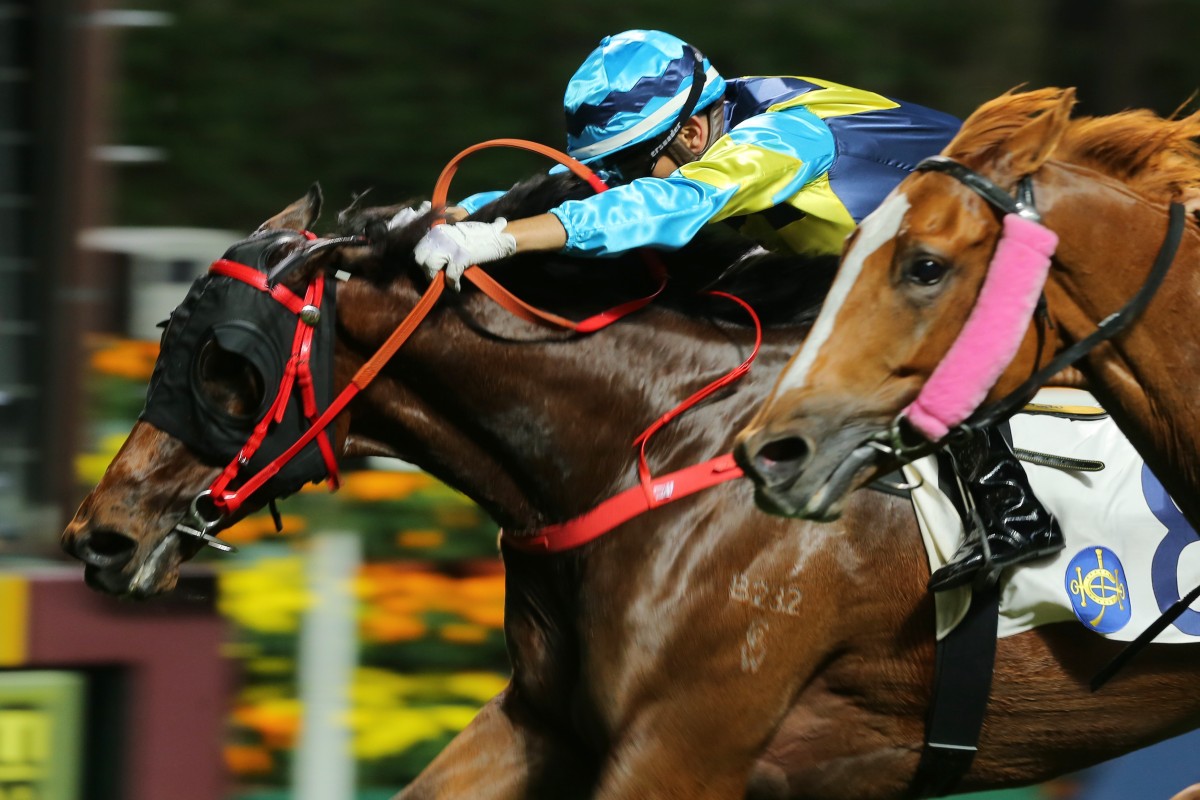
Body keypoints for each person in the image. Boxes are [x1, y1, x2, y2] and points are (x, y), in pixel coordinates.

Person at [412, 29, 1062, 591]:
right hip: (894, 267)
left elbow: (665, 206)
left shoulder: (778, 139)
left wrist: (504, 240)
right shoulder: (706, 116)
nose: (617, 183)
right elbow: (590, 189)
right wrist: (465, 214)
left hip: (1015, 252)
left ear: (692, 132)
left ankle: (1009, 511)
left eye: (631, 167)